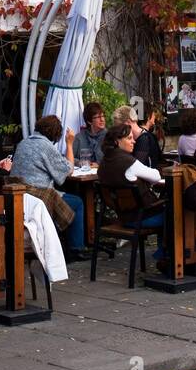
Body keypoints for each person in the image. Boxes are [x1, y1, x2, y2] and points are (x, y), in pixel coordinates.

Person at [10, 115, 85, 252]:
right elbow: (68, 170)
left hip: (20, 196)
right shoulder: (46, 146)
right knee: (78, 202)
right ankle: (76, 248)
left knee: (66, 198)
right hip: (38, 197)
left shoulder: (23, 143)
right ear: (56, 134)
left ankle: (63, 243)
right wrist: (69, 144)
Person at [97, 122, 166, 261]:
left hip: (122, 216)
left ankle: (164, 253)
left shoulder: (103, 164)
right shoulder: (128, 163)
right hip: (140, 218)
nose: (133, 141)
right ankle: (167, 256)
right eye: (129, 138)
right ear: (117, 141)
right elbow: (156, 176)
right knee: (175, 213)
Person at [73, 102, 107, 166]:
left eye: (103, 116)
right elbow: (69, 158)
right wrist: (80, 162)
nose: (102, 119)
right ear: (89, 121)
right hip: (82, 174)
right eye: (98, 117)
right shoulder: (79, 138)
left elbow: (114, 159)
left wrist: (99, 164)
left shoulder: (109, 137)